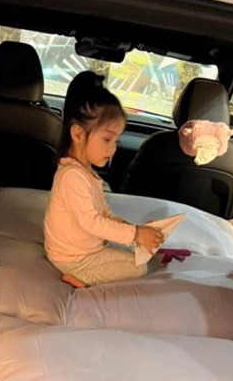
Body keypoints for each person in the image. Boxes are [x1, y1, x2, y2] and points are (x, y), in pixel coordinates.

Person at [44, 71, 164, 288]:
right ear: (78, 134)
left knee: (135, 254)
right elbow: (91, 222)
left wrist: (134, 230)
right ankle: (81, 278)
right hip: (71, 257)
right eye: (107, 139)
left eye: (116, 141)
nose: (113, 148)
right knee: (137, 267)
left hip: (86, 250)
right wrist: (135, 234)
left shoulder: (86, 172)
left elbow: (105, 214)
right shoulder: (71, 177)